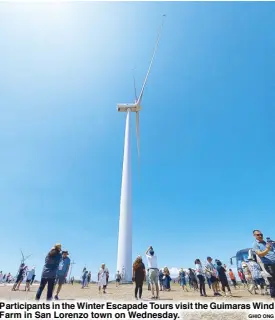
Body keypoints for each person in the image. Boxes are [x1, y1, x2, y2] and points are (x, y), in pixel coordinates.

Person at [252, 230, 275, 298]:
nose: (260, 236)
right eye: (258, 235)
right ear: (254, 236)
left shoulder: (266, 243)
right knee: (273, 282)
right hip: (268, 264)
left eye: (261, 234)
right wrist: (267, 249)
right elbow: (260, 254)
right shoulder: (255, 244)